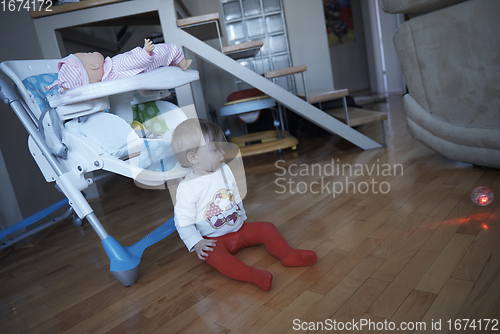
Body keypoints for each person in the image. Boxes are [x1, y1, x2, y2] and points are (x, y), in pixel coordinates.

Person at [172, 119, 317, 291]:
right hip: (214, 240)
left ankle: (288, 254)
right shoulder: (187, 187)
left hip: (240, 230)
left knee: (267, 228)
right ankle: (254, 276)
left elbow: (233, 192)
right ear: (193, 158)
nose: (222, 153)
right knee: (214, 255)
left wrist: (240, 214)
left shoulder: (224, 169)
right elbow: (182, 221)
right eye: (215, 150)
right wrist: (197, 243)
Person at [47, 39, 192, 93]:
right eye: (89, 53)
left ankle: (178, 62)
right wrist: (146, 53)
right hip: (149, 62)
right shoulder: (116, 65)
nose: (91, 52)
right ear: (94, 65)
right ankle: (183, 64)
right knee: (171, 49)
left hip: (147, 75)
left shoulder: (107, 83)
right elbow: (136, 61)